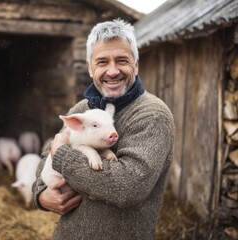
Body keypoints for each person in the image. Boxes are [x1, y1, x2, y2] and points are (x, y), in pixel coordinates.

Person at [32, 18, 175, 240]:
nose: (112, 71)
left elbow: (129, 186)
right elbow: (45, 158)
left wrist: (63, 157)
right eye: (102, 62)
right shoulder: (82, 109)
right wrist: (41, 195)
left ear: (136, 65)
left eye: (121, 60)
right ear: (90, 68)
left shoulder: (152, 115)